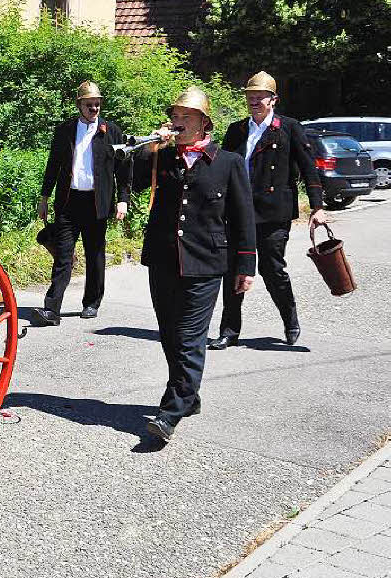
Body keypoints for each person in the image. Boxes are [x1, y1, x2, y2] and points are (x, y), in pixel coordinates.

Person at [133, 86, 256, 442]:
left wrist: (245, 267)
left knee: (189, 338)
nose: (178, 122)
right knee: (170, 335)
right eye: (175, 116)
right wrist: (150, 147)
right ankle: (190, 396)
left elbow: (243, 217)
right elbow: (136, 181)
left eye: (186, 117)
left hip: (206, 262)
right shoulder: (163, 157)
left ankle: (168, 413)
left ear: (204, 123)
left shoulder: (228, 162)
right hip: (163, 259)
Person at [208, 71, 326, 350]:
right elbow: (221, 168)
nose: (254, 101)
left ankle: (290, 318)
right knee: (233, 270)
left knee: (272, 270)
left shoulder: (289, 128)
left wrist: (318, 206)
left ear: (274, 100)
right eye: (250, 97)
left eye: (259, 97)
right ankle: (229, 330)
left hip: (273, 213)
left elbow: (309, 167)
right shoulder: (236, 130)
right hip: (237, 212)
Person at [34, 81, 131, 326]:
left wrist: (122, 200)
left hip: (97, 202)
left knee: (95, 253)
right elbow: (53, 166)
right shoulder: (65, 131)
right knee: (63, 255)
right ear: (79, 105)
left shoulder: (112, 132)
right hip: (69, 201)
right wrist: (44, 197)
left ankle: (91, 302)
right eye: (89, 105)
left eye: (97, 104)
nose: (94, 108)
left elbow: (123, 169)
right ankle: (52, 309)